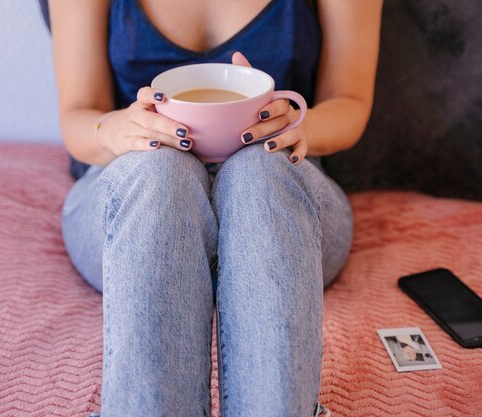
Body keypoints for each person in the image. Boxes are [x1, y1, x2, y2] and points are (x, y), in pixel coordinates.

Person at [49, 0, 382, 415]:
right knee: (162, 171)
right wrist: (111, 130)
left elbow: (349, 101)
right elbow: (78, 114)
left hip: (280, 190)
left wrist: (295, 124)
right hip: (139, 194)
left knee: (258, 169)